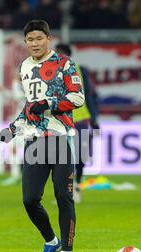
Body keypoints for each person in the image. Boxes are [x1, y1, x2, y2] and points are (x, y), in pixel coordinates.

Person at [0, 20, 85, 252]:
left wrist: (50, 103)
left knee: (63, 196)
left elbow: (78, 98)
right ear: (25, 42)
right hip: (34, 141)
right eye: (30, 40)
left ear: (49, 38)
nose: (34, 43)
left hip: (59, 137)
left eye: (39, 38)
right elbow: (29, 107)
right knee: (30, 200)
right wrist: (12, 129)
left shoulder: (65, 64)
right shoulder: (24, 67)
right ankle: (51, 242)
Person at [55, 43, 100, 203]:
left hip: (80, 118)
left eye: (61, 53)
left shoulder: (81, 71)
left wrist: (94, 118)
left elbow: (90, 95)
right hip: (60, 121)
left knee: (80, 156)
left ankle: (78, 186)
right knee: (62, 158)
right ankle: (64, 192)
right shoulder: (50, 72)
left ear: (68, 55)